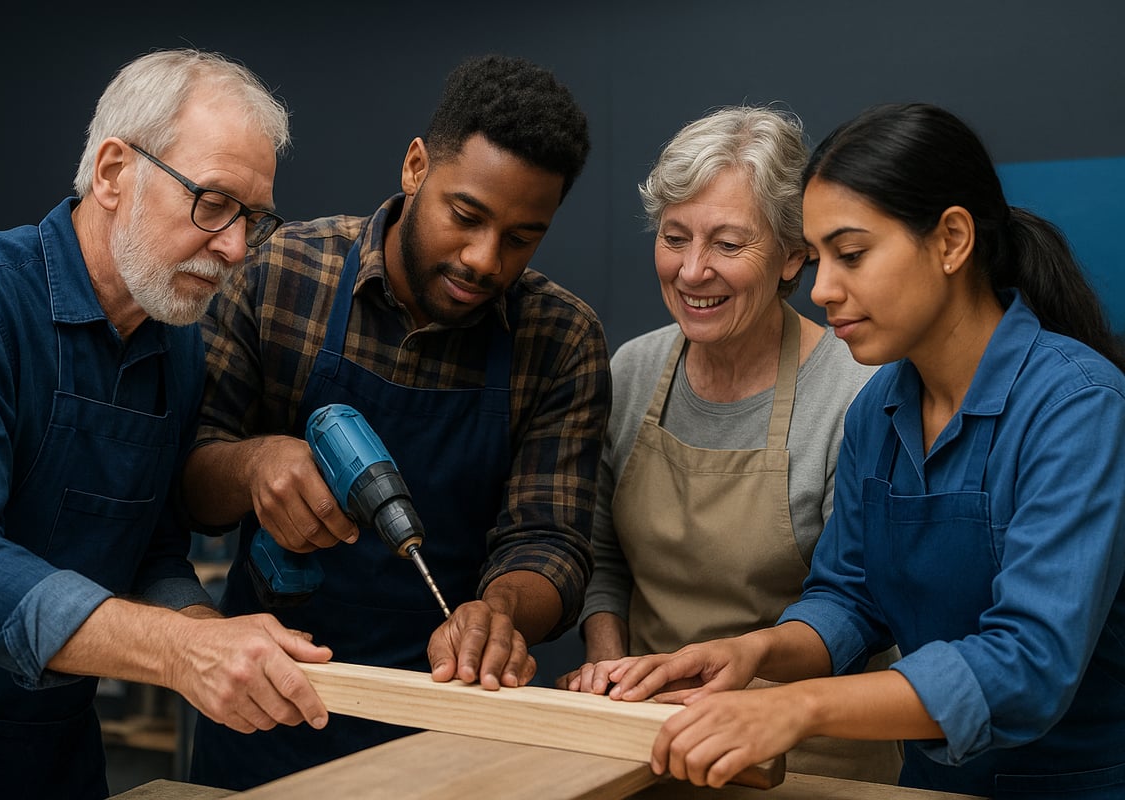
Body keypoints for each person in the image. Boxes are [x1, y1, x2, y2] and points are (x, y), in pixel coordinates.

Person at [591, 103, 1125, 798]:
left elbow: (1028, 663)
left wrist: (796, 704)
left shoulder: (1078, 407)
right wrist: (749, 653)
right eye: (818, 258)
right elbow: (849, 599)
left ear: (952, 240)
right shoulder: (881, 408)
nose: (821, 289)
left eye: (851, 255)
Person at [181, 53, 611, 789]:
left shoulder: (560, 338)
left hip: (448, 720)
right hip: (264, 706)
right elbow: (185, 476)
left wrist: (499, 611)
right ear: (416, 167)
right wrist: (254, 468)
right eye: (466, 216)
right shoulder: (282, 273)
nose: (483, 260)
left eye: (520, 237)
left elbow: (552, 541)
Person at [0, 49, 337, 800]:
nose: (236, 248)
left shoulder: (174, 348)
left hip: (57, 758)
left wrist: (206, 630)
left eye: (253, 218)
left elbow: (151, 550)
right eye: (212, 202)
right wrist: (179, 648)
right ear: (113, 172)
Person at [557, 106, 900, 782]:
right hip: (650, 743)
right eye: (675, 237)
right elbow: (601, 556)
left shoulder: (856, 389)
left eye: (727, 244)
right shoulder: (632, 369)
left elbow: (857, 606)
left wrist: (744, 670)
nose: (691, 271)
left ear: (794, 253)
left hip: (809, 755)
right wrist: (609, 664)